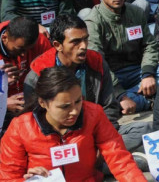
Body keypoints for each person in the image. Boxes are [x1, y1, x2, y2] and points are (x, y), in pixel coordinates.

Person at [24, 14, 151, 153]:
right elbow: (36, 124)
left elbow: (109, 106)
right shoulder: (37, 75)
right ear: (57, 45)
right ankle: (109, 158)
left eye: (85, 39)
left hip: (95, 132)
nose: (84, 46)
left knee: (148, 129)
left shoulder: (96, 61)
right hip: (60, 142)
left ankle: (102, 156)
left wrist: (101, 138)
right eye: (76, 42)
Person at [1, 67, 146, 181]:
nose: (74, 111)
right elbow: (8, 176)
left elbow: (120, 159)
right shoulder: (20, 127)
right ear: (42, 103)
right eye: (64, 106)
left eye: (78, 101)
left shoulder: (93, 114)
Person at [85, 0, 158, 114]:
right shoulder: (93, 20)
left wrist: (148, 74)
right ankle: (148, 100)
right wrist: (120, 94)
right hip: (109, 75)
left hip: (137, 71)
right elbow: (97, 60)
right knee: (93, 94)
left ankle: (134, 101)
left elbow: (150, 44)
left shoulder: (135, 12)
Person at [0, 17, 52, 133]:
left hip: (33, 102)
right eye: (20, 49)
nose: (24, 54)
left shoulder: (40, 42)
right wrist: (3, 102)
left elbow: (51, 77)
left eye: (29, 49)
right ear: (4, 38)